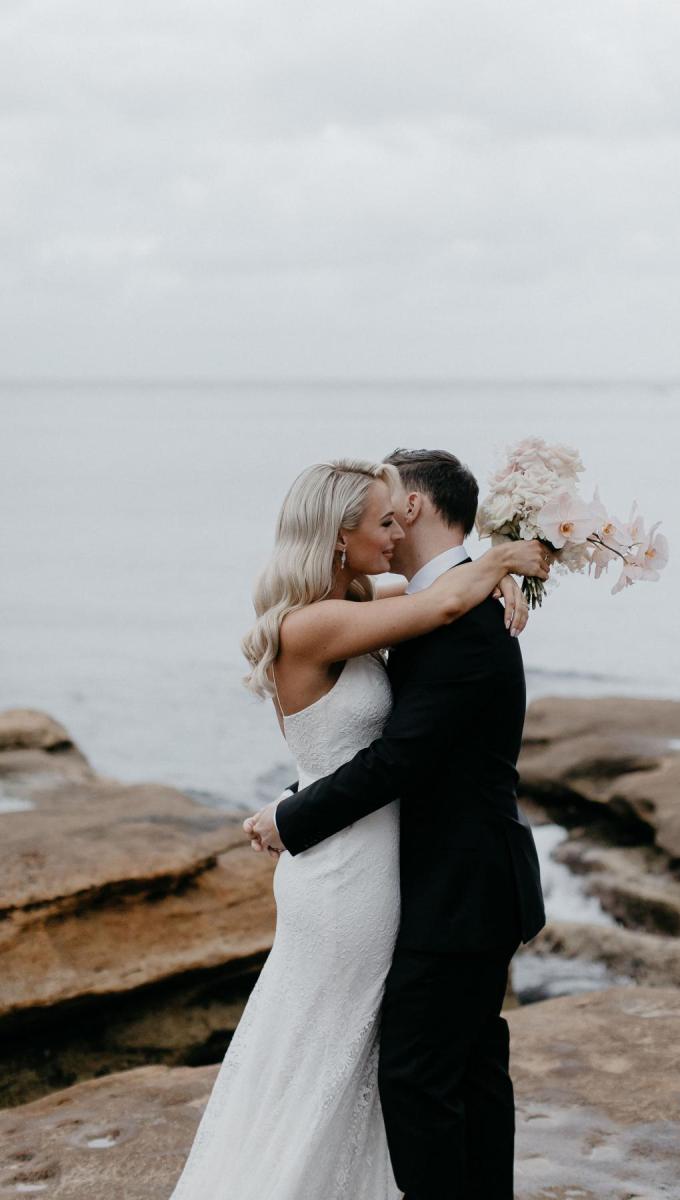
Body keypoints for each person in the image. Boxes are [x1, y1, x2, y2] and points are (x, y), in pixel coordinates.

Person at [246, 449, 548, 1200]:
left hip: (452, 885)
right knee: (413, 1070)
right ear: (341, 533)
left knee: (432, 1074)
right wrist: (501, 561)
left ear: (411, 508)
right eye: (372, 519)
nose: (387, 526)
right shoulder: (378, 612)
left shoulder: (429, 604)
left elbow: (398, 754)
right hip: (385, 882)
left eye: (391, 512)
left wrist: (490, 569)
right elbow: (388, 746)